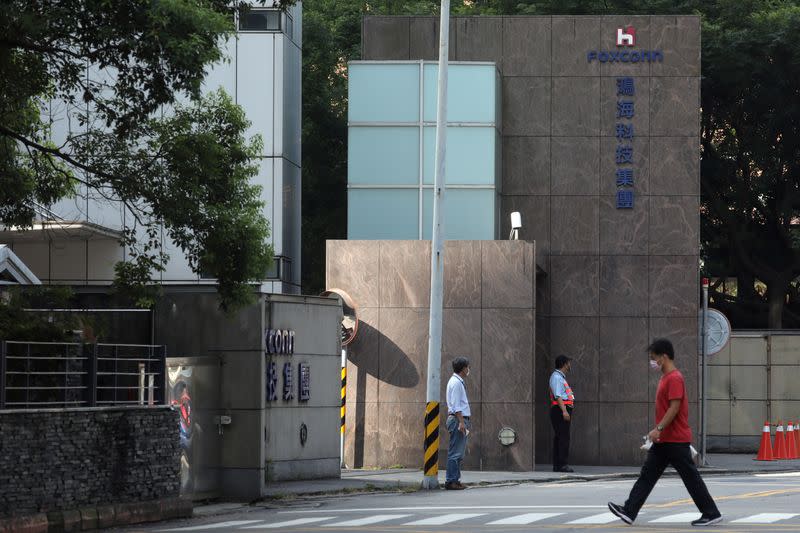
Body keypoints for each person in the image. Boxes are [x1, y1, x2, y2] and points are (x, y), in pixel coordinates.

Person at [608, 338, 722, 527]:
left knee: (690, 478)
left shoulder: (675, 378)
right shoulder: (665, 378)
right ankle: (629, 511)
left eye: (654, 358)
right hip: (665, 440)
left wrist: (658, 428)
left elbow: (674, 407)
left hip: (674, 440)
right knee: (648, 475)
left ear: (664, 356)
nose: (652, 362)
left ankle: (711, 513)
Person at [445, 356, 471, 490]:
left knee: (458, 453)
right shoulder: (456, 383)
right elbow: (456, 406)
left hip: (459, 419)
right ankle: (451, 481)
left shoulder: (457, 381)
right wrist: (461, 422)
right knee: (455, 453)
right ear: (463, 368)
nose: (468, 369)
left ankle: (455, 479)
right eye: (467, 367)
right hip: (457, 420)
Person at [549, 355, 575, 472]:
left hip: (561, 409)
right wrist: (564, 411)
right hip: (560, 410)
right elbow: (558, 396)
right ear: (564, 364)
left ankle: (558, 465)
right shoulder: (557, 377)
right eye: (569, 362)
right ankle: (562, 465)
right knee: (563, 437)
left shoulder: (559, 377)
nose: (570, 365)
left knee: (560, 437)